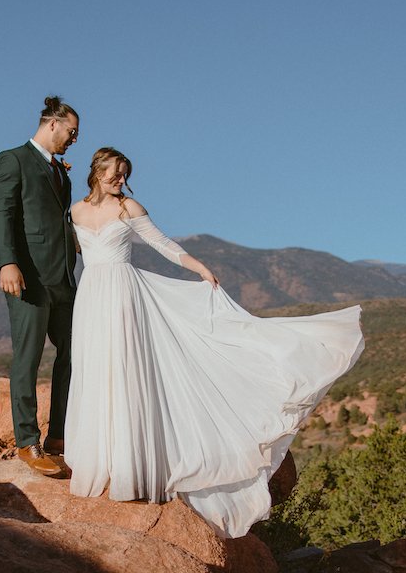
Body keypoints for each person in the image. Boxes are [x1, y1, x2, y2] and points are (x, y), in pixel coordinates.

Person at [64, 147, 364, 537]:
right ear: (96, 170)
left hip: (124, 294)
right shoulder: (74, 211)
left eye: (124, 173)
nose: (119, 179)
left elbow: (164, 245)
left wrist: (200, 267)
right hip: (91, 294)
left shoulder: (130, 208)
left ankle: (130, 468)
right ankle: (100, 462)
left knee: (125, 373)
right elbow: (70, 249)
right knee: (96, 370)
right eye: (114, 172)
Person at [0, 96, 79, 476]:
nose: (73, 140)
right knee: (28, 357)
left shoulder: (62, 172)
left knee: (76, 351)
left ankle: (59, 437)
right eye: (71, 132)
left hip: (62, 277)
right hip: (28, 275)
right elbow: (2, 213)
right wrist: (7, 262)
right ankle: (28, 442)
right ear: (53, 124)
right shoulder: (12, 159)